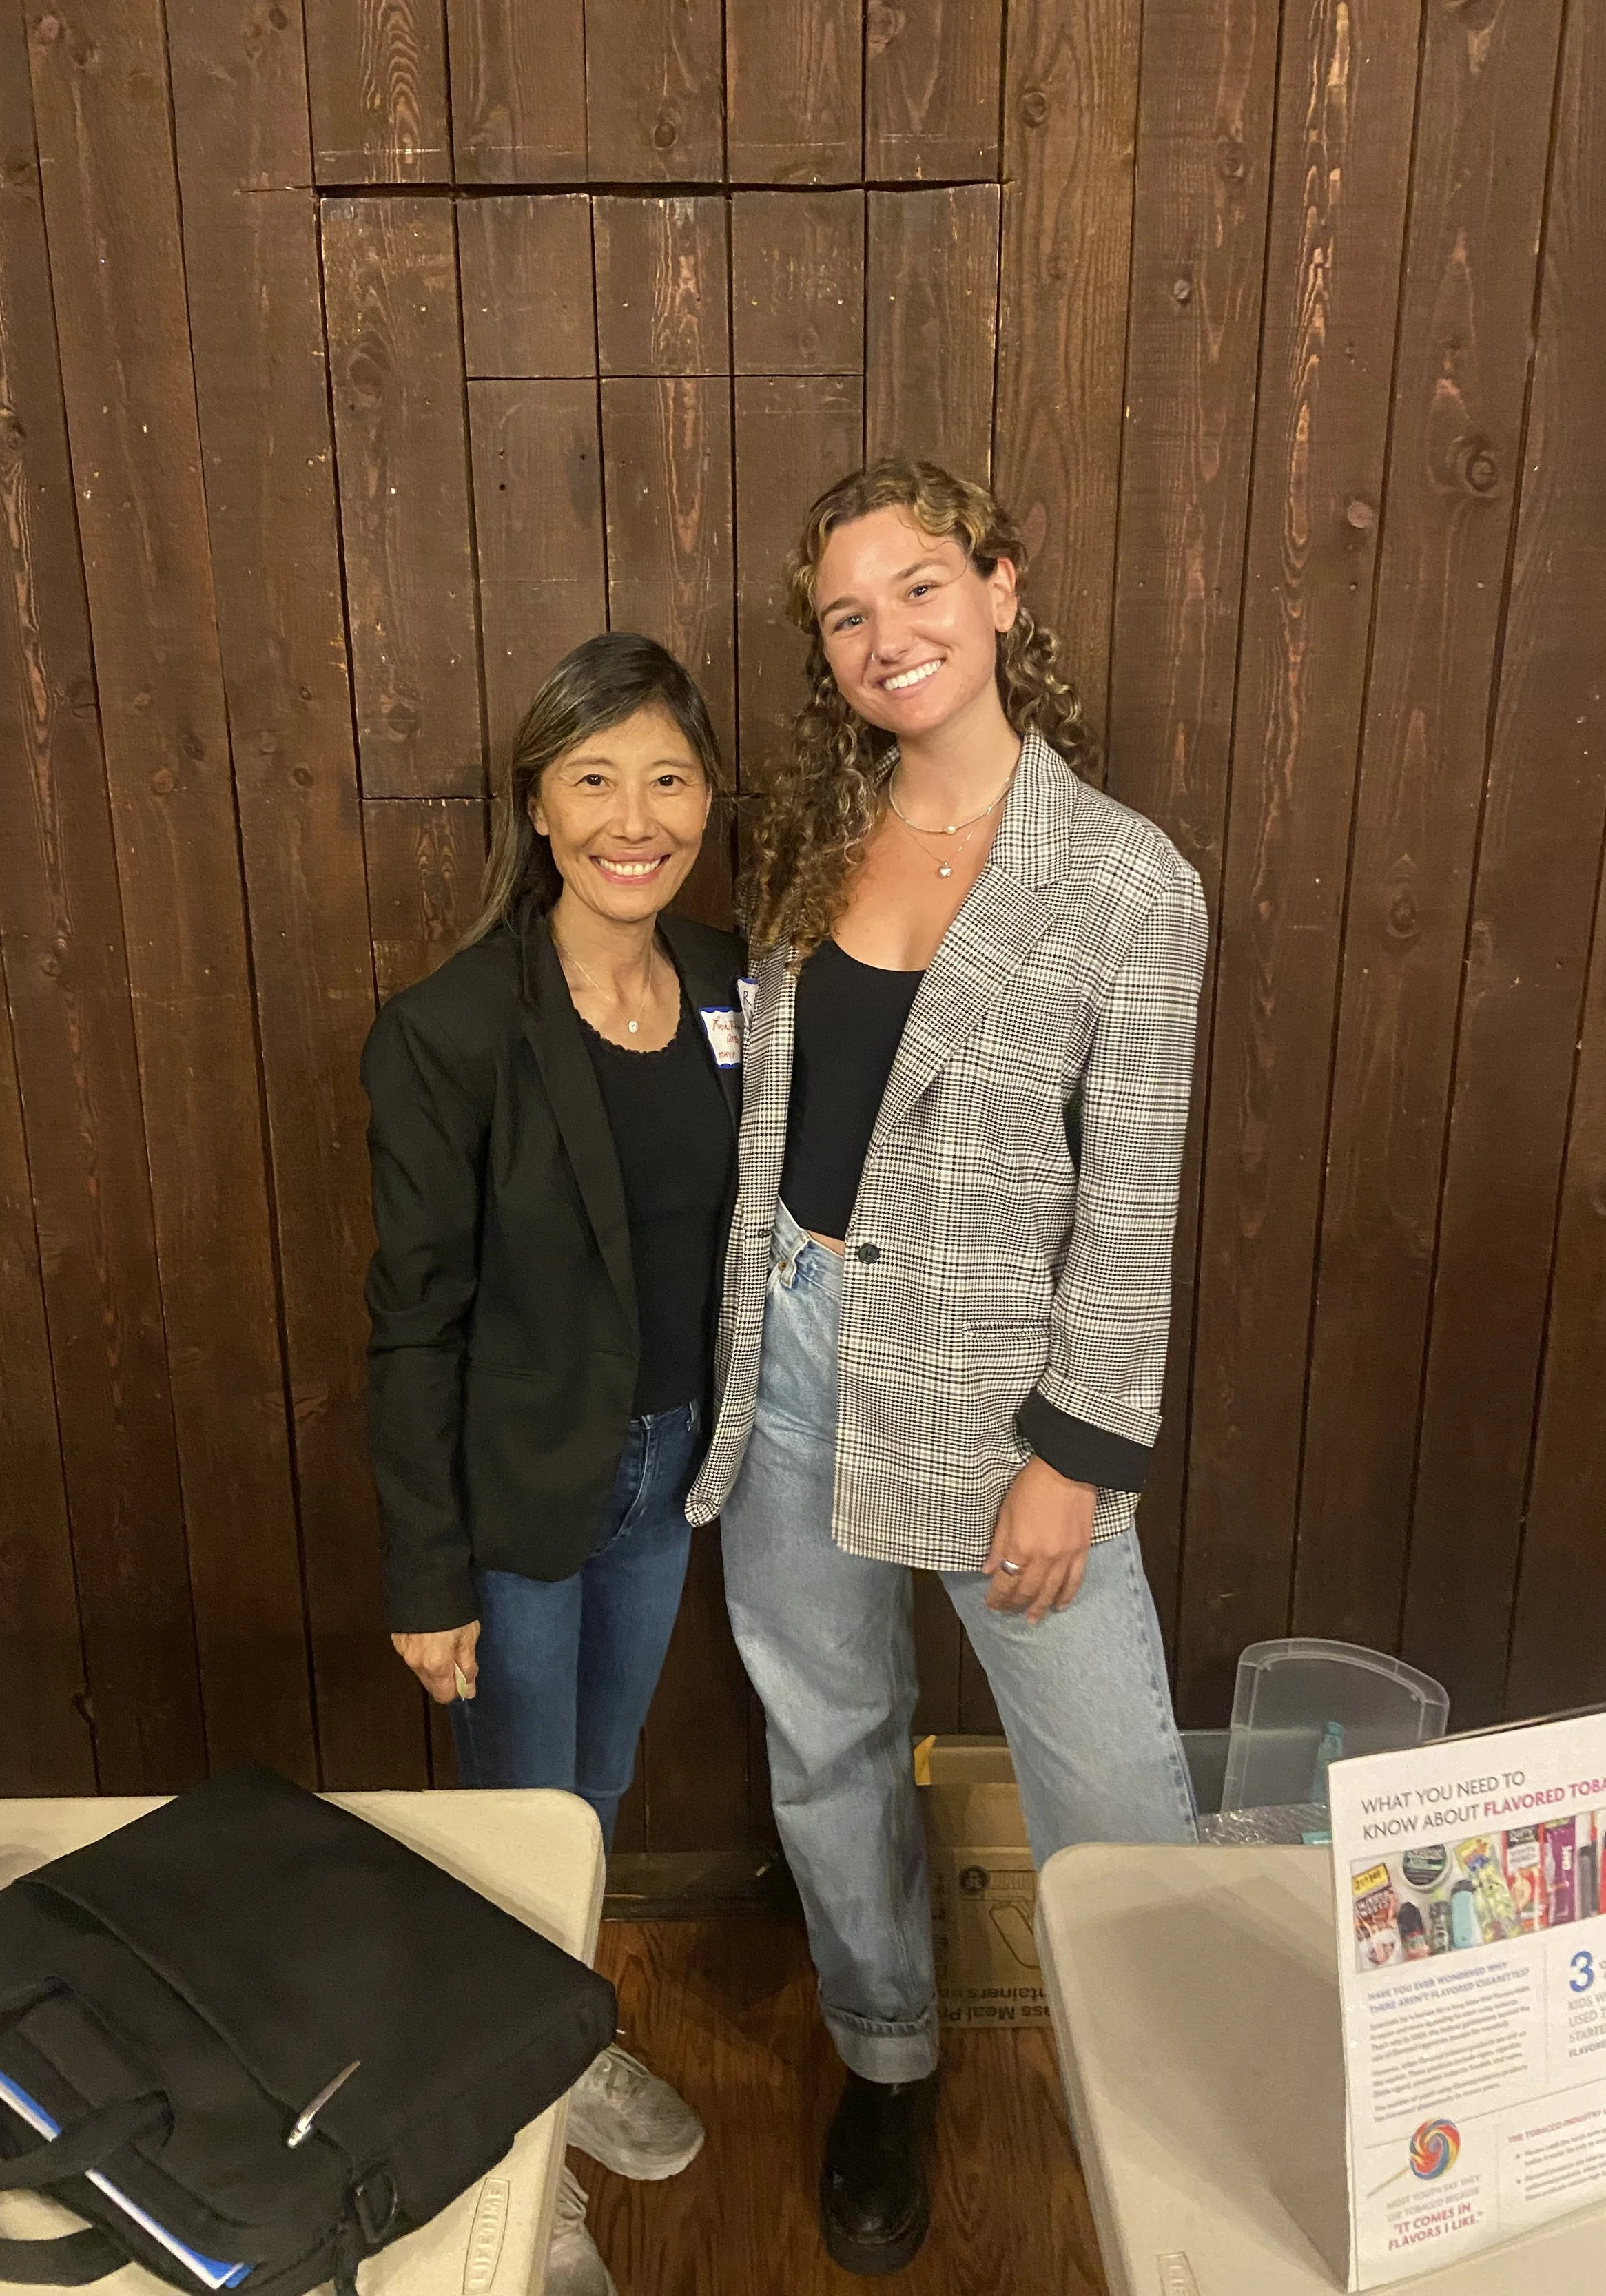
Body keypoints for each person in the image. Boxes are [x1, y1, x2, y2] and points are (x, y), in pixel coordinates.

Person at [687, 459, 1206, 2275]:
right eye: (844, 613)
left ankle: (1169, 2103)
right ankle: (887, 2058)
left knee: (1117, 1791)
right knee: (825, 1740)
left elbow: (1131, 1197)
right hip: (797, 1349)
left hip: (1002, 1407)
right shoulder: (805, 844)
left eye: (918, 587)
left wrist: (1075, 1450)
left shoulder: (1124, 880)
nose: (886, 634)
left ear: (998, 587)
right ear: (822, 650)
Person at [361, 633, 745, 2296]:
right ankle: (519, 2156)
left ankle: (557, 2046)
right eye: (594, 779)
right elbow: (410, 1324)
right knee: (512, 1820)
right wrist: (425, 1574)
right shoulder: (449, 1031)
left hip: (670, 1478)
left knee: (585, 1802)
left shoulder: (733, 987)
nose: (632, 816)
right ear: (537, 804)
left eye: (665, 776)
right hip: (518, 1497)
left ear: (706, 798)